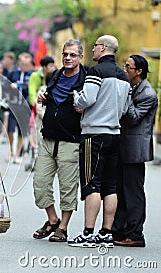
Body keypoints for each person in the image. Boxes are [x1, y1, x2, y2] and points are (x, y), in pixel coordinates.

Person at [68, 35, 131, 248]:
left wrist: (77, 98)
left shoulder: (96, 72)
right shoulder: (124, 77)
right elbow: (125, 109)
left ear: (103, 47)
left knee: (91, 184)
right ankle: (106, 233)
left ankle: (87, 233)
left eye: (95, 46)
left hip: (93, 134)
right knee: (110, 186)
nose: (93, 50)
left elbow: (88, 99)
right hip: (115, 134)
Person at [32, 39, 86, 243]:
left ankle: (62, 227)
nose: (68, 58)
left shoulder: (87, 78)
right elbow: (52, 97)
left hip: (71, 140)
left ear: (81, 57)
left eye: (72, 55)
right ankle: (52, 219)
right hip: (48, 138)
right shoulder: (55, 75)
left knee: (68, 186)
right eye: (65, 54)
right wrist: (45, 98)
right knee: (40, 183)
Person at [112, 55, 158, 247]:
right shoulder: (133, 88)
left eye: (128, 67)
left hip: (135, 150)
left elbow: (133, 118)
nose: (124, 70)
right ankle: (120, 231)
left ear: (139, 71)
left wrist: (125, 96)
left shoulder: (148, 93)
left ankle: (136, 234)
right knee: (120, 191)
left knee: (134, 193)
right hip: (123, 147)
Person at [6, 52, 34, 163]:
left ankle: (17, 155)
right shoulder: (13, 73)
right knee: (10, 130)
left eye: (26, 64)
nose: (24, 66)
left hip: (24, 107)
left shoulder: (31, 75)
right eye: (22, 64)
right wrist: (10, 85)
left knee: (22, 131)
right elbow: (4, 85)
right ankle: (11, 152)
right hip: (13, 105)